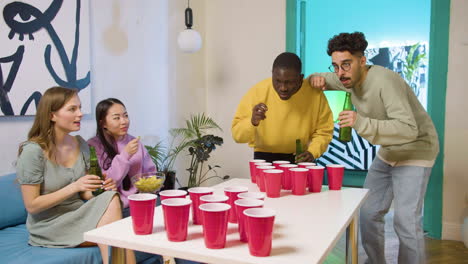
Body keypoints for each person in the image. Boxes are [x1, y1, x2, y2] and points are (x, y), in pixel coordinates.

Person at [308, 32, 439, 264]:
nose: (340, 72)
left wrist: (360, 121)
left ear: (362, 60)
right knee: (368, 214)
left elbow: (409, 129)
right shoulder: (345, 78)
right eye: (336, 66)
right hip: (389, 152)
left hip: (416, 149)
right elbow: (322, 78)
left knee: (405, 221)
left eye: (346, 64)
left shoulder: (385, 81)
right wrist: (314, 78)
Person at [16, 87, 136, 264]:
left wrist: (101, 188)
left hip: (79, 212)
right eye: (72, 109)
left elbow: (86, 193)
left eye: (79, 108)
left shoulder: (81, 144)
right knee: (118, 234)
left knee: (111, 197)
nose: (80, 114)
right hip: (49, 225)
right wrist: (75, 186)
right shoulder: (32, 152)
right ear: (51, 115)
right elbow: (32, 206)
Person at [232, 52, 334, 163]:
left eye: (289, 82)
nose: (283, 88)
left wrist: (313, 152)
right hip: (263, 159)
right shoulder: (257, 91)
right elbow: (237, 136)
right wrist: (252, 121)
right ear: (272, 75)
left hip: (300, 157)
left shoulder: (315, 94)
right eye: (277, 81)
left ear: (300, 78)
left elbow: (324, 131)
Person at [87, 98, 157, 215]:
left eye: (125, 116)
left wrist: (151, 188)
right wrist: (125, 155)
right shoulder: (93, 146)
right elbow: (106, 184)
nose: (124, 121)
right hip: (113, 206)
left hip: (141, 200)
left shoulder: (135, 142)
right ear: (102, 123)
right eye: (116, 118)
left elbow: (150, 173)